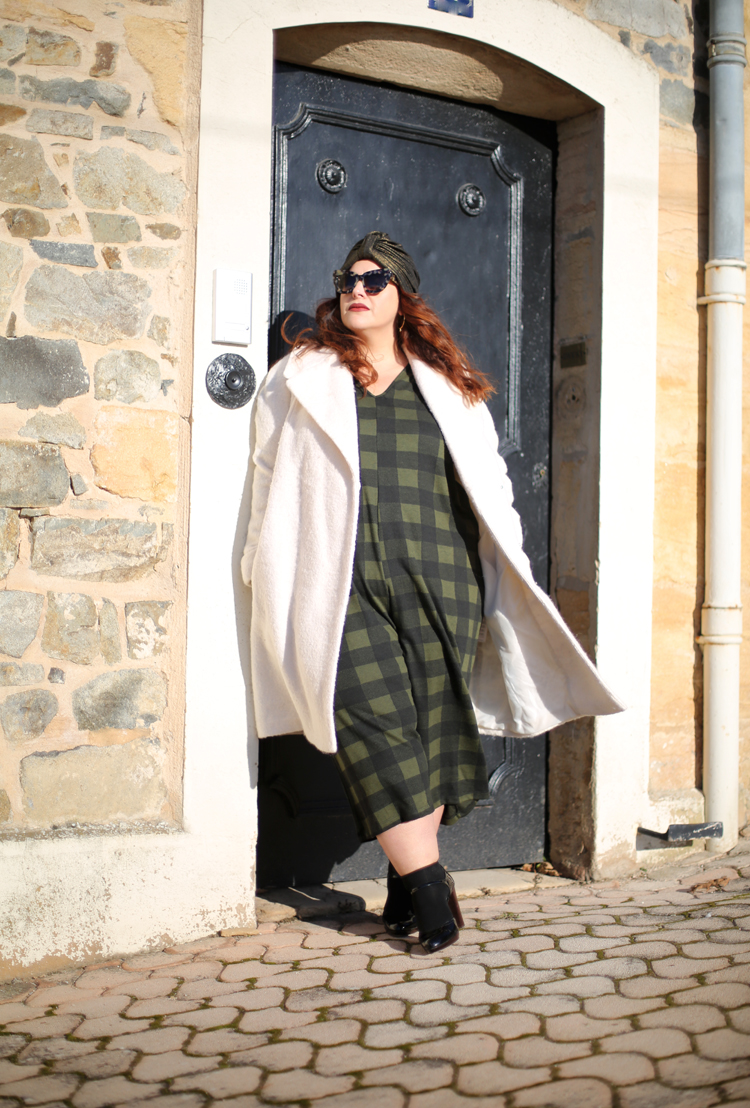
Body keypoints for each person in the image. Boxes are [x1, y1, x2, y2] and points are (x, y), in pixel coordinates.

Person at [242, 231, 623, 954]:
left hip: (440, 572)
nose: (357, 289)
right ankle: (427, 886)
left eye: (373, 280)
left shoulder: (447, 384)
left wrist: (511, 562)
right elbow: (266, 473)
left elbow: (491, 483)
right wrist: (257, 559)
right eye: (348, 278)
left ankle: (403, 875)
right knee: (368, 718)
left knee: (430, 729)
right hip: (339, 578)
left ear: (402, 295)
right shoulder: (302, 375)